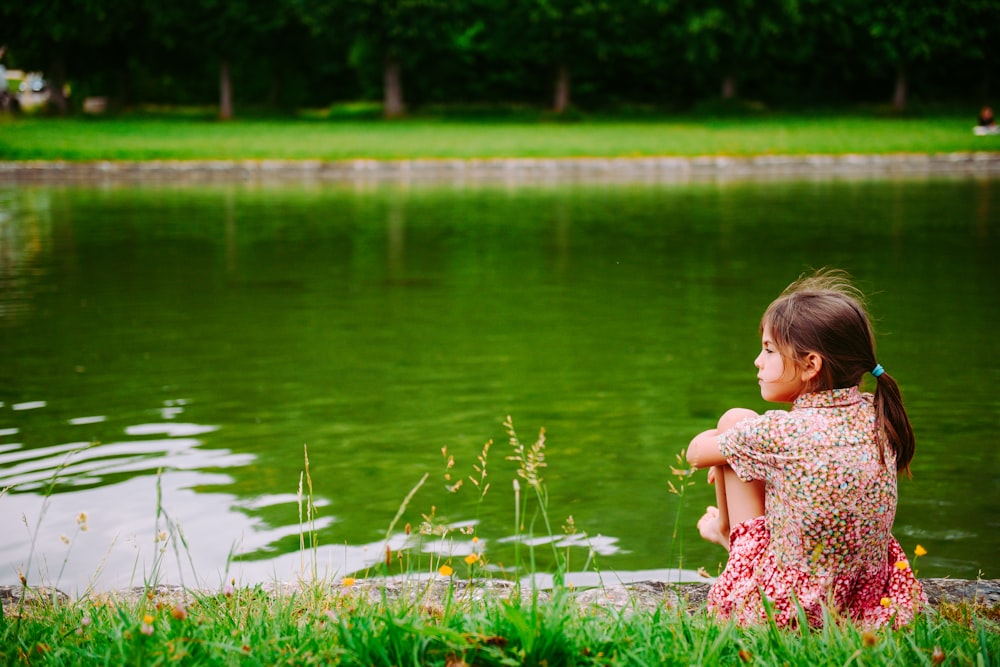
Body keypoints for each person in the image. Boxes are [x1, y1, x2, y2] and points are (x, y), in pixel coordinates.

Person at [685, 269, 925, 628]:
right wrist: (744, 452)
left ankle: (725, 530)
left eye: (768, 350)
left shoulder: (782, 430)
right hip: (869, 599)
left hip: (792, 611)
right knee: (741, 440)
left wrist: (731, 449)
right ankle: (726, 525)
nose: (757, 361)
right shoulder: (877, 415)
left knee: (734, 420)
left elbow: (695, 453)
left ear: (811, 364)